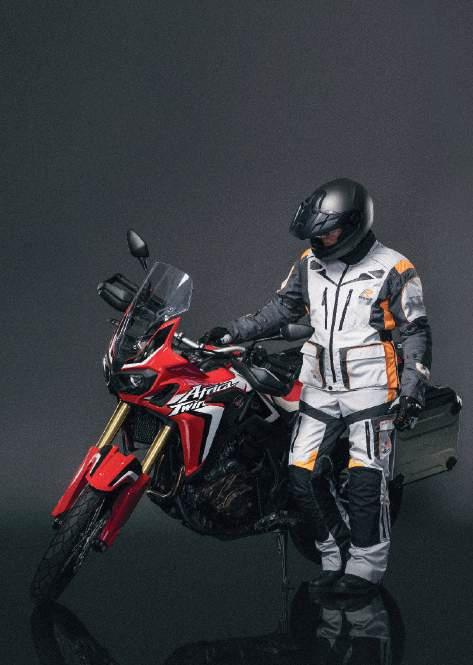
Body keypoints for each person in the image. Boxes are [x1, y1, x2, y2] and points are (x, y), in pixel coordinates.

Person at [200, 178, 432, 594]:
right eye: (316, 233)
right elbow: (281, 308)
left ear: (355, 224)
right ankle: (334, 555)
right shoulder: (309, 263)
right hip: (319, 385)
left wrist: (413, 389)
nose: (321, 239)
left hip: (370, 389)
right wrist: (232, 332)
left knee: (366, 480)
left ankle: (365, 570)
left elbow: (416, 331)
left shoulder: (396, 268)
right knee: (300, 475)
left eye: (329, 232)